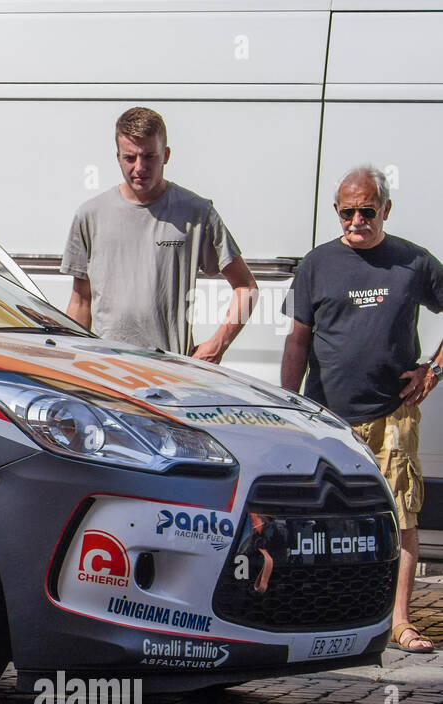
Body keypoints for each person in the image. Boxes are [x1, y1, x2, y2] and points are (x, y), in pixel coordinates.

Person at [281, 165, 443, 654]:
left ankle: (398, 621)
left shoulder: (412, 262)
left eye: (366, 211)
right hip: (328, 419)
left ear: (385, 210)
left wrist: (433, 370)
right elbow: (297, 340)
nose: (356, 220)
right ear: (337, 212)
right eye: (347, 211)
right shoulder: (316, 264)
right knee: (321, 521)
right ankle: (321, 613)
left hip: (394, 412)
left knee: (401, 515)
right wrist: (289, 408)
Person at [62, 106, 258, 361]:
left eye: (149, 156)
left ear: (165, 155)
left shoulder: (196, 213)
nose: (139, 167)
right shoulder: (90, 214)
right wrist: (68, 364)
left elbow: (247, 287)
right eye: (130, 158)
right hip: (106, 371)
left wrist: (217, 344)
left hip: (170, 372)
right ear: (118, 157)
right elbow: (81, 301)